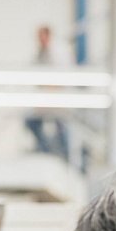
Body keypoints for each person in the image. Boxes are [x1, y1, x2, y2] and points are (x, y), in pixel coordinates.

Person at [23, 25, 70, 161]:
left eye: (41, 37)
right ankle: (46, 149)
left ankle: (63, 154)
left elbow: (61, 79)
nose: (39, 40)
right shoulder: (40, 53)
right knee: (31, 122)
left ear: (48, 36)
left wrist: (48, 92)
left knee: (61, 127)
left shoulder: (59, 52)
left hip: (59, 100)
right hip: (44, 100)